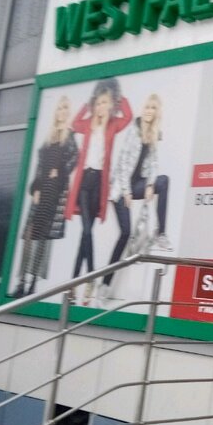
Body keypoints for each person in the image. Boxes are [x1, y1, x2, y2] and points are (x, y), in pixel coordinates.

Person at [65, 78, 132, 303]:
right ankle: (91, 277)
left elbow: (128, 116)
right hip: (84, 181)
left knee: (85, 235)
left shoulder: (112, 124)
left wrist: (119, 99)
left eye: (106, 103)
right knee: (87, 230)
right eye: (99, 103)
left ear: (110, 105)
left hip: (99, 184)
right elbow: (74, 123)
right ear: (95, 104)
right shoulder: (87, 124)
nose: (102, 107)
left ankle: (73, 285)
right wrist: (87, 105)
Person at [99, 93, 171, 302]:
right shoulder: (134, 130)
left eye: (153, 108)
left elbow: (153, 164)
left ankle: (161, 233)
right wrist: (126, 192)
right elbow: (122, 163)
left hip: (138, 184)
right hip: (121, 189)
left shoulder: (153, 134)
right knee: (125, 233)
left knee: (163, 181)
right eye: (147, 107)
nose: (149, 111)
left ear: (157, 112)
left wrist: (150, 184)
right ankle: (105, 283)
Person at [11, 96, 77, 297]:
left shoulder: (69, 136)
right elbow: (40, 167)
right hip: (42, 190)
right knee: (29, 235)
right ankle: (21, 282)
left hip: (55, 192)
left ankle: (32, 283)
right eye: (60, 108)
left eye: (65, 108)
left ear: (68, 112)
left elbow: (75, 158)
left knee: (43, 238)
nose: (62, 112)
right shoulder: (49, 137)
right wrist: (36, 189)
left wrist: (61, 171)